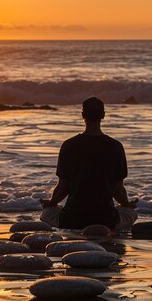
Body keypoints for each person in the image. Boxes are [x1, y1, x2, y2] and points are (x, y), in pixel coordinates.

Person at [40, 97, 138, 231]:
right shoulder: (115, 146)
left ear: (82, 115)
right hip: (107, 220)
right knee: (130, 213)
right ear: (103, 115)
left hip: (71, 220)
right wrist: (127, 205)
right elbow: (117, 189)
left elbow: (63, 186)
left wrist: (50, 204)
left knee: (47, 212)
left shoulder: (69, 145)